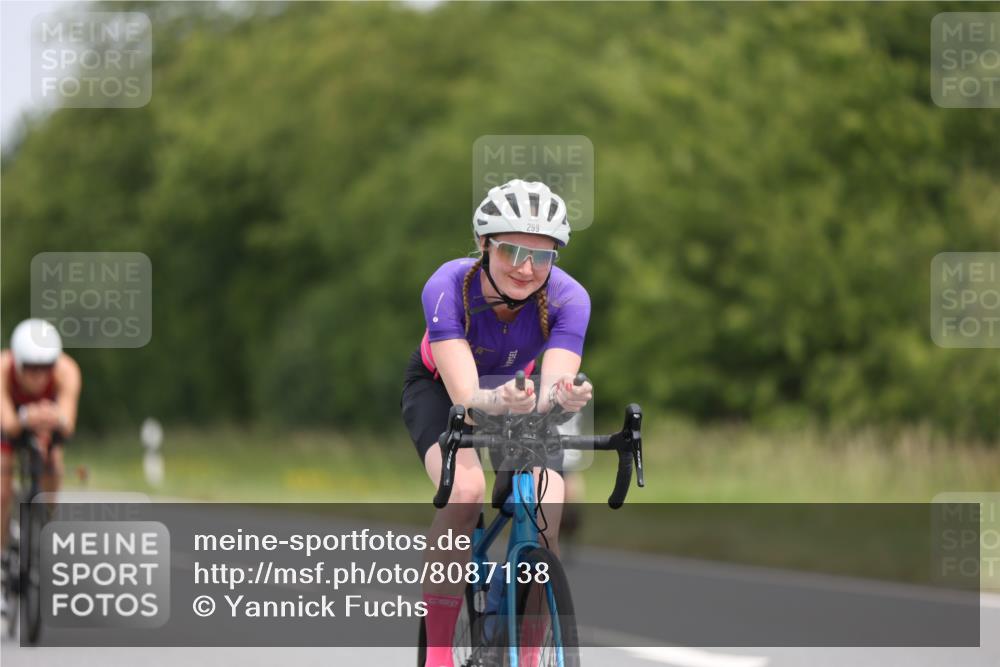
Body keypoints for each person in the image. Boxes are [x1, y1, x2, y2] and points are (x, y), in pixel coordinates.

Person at [401, 179, 593, 667]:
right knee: (465, 492)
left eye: (542, 256)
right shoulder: (447, 286)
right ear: (484, 243)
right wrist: (498, 399)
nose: (527, 269)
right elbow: (467, 397)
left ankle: (527, 654)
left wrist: (565, 395)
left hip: (519, 396)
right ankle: (439, 654)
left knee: (547, 499)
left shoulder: (571, 298)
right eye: (511, 250)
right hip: (443, 389)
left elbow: (554, 385)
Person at [1, 319, 82, 556]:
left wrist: (54, 419)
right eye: (30, 368)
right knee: (2, 490)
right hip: (11, 420)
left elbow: (68, 425)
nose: (38, 376)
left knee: (54, 462)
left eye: (45, 367)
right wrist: (26, 417)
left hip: (48, 421)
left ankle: (47, 519)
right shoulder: (3, 369)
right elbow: (9, 425)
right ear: (17, 363)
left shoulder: (67, 370)